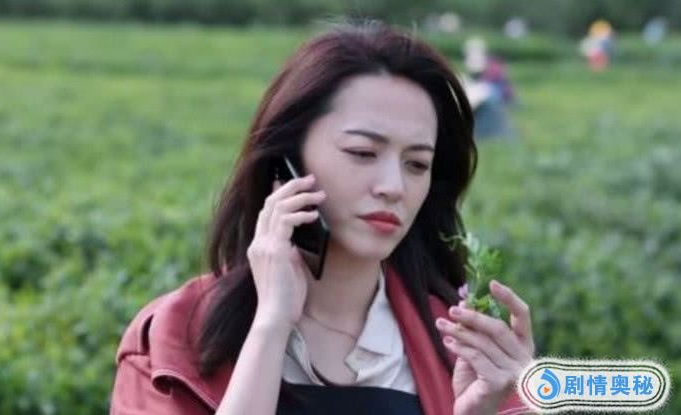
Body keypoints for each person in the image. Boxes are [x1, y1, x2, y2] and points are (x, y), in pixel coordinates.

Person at [110, 20, 536, 415]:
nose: (394, 186)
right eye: (362, 153)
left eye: (417, 164)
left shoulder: (466, 352)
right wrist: (271, 325)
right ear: (288, 162)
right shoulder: (170, 339)